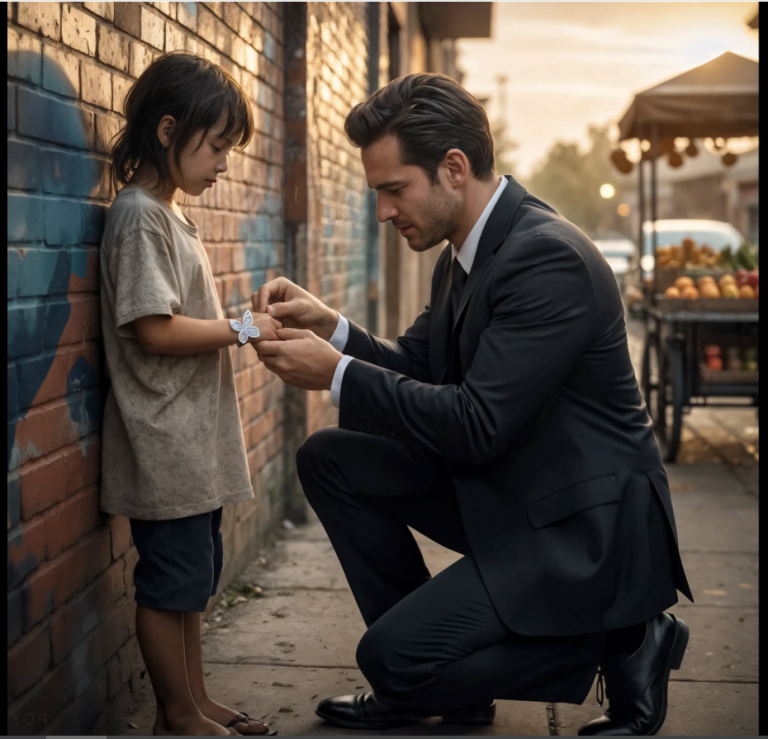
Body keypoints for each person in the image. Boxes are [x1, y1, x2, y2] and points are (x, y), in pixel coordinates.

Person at [253, 73, 693, 736]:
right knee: (330, 457)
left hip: (583, 531)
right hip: (514, 495)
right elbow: (417, 373)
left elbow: (475, 423)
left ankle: (625, 640)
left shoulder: (548, 258)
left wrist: (337, 373)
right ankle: (447, 680)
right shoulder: (464, 252)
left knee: (390, 662)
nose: (382, 211)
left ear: (453, 168)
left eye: (392, 189)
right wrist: (333, 329)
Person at [100, 52, 279, 737]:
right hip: (164, 443)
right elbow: (153, 329)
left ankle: (198, 701)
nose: (225, 164)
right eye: (217, 146)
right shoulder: (141, 215)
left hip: (192, 445)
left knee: (192, 586)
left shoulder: (170, 214)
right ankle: (176, 714)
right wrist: (241, 326)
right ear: (169, 130)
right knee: (168, 583)